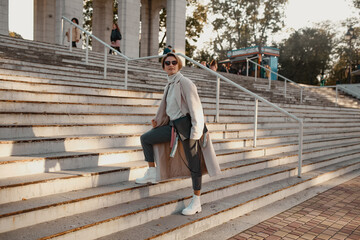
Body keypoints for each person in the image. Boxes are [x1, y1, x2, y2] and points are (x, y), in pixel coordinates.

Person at [135, 52, 221, 216]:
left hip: (188, 128)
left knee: (194, 164)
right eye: (167, 63)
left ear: (179, 64)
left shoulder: (185, 82)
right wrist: (158, 121)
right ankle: (152, 171)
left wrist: (196, 132)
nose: (171, 65)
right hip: (173, 126)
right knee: (146, 138)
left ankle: (196, 201)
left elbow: (196, 108)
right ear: (164, 66)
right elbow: (168, 109)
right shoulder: (169, 84)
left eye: (174, 62)